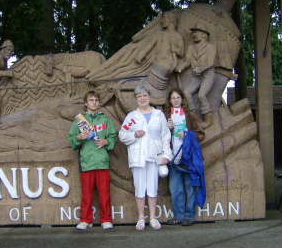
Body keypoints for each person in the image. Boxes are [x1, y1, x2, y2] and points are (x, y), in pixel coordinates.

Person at [118, 85, 172, 230]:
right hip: (138, 157)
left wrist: (166, 155)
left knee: (153, 187)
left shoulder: (158, 115)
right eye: (139, 96)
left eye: (144, 95)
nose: (142, 98)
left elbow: (166, 136)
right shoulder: (132, 117)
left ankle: (153, 217)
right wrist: (134, 135)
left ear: (149, 96)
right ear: (136, 99)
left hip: (154, 157)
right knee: (140, 187)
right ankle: (141, 218)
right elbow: (122, 135)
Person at [68, 91, 117, 230]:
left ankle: (106, 220)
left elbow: (113, 138)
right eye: (91, 100)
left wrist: (106, 141)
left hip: (102, 162)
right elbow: (72, 141)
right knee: (86, 195)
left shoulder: (105, 120)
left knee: (104, 194)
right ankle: (85, 220)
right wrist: (79, 137)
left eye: (96, 100)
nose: (94, 102)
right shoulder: (79, 121)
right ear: (86, 103)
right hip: (86, 163)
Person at [164, 88, 205, 226]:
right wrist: (167, 129)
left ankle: (190, 216)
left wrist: (187, 135)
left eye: (178, 97)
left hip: (188, 158)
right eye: (173, 98)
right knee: (175, 188)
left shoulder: (190, 116)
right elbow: (158, 137)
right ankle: (178, 216)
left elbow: (201, 135)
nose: (176, 100)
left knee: (190, 187)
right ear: (170, 100)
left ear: (182, 99)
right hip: (173, 158)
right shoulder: (166, 116)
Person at [135, 12, 184, 105]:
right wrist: (141, 55)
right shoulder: (159, 34)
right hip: (158, 65)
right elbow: (149, 45)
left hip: (169, 67)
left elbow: (181, 53)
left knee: (173, 90)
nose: (162, 21)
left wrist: (176, 50)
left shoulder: (178, 37)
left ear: (171, 20)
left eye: (164, 18)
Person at [175, 23, 216, 128]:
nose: (193, 35)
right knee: (186, 92)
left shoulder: (211, 47)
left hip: (208, 75)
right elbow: (187, 61)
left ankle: (208, 119)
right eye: (193, 33)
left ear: (203, 35)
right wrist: (181, 67)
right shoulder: (191, 47)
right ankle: (194, 116)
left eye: (196, 32)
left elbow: (210, 62)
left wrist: (201, 68)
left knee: (201, 95)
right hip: (197, 76)